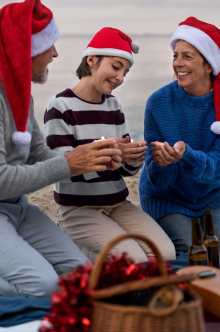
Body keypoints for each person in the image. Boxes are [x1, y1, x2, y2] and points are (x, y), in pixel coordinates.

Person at [0, 0, 123, 297]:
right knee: (42, 287)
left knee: (82, 277)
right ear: (24, 51)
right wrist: (71, 163)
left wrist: (90, 160)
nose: (56, 54)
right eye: (48, 46)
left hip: (11, 207)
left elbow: (38, 155)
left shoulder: (19, 89)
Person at [44, 27, 176, 263]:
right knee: (134, 260)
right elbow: (60, 169)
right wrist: (114, 152)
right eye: (116, 67)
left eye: (125, 72)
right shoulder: (60, 106)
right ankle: (70, 243)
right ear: (92, 60)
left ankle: (101, 249)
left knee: (165, 254)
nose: (120, 78)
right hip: (79, 209)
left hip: (117, 203)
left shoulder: (113, 105)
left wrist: (134, 156)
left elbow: (125, 171)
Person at [139, 17, 220, 258]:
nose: (178, 63)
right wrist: (162, 162)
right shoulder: (157, 103)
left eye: (187, 56)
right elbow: (156, 179)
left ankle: (215, 225)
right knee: (193, 250)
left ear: (209, 65)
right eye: (175, 55)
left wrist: (186, 155)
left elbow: (219, 166)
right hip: (167, 197)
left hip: (212, 193)